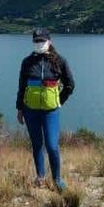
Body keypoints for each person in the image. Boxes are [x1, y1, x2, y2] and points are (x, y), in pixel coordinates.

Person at [15, 28, 75, 190]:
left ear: (49, 41)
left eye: (42, 41)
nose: (39, 44)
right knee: (36, 144)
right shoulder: (27, 62)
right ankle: (40, 177)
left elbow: (70, 85)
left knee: (52, 145)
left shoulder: (60, 61)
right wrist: (19, 108)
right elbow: (21, 86)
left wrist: (59, 101)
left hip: (51, 112)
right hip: (30, 111)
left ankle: (57, 179)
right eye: (36, 41)